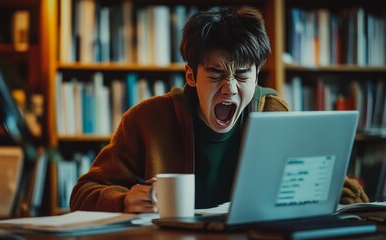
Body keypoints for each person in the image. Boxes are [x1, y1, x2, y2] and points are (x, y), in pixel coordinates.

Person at [70, 6, 368, 213]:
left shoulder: (272, 113)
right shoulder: (147, 120)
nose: (230, 88)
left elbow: (332, 185)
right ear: (191, 75)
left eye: (242, 75)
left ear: (257, 74)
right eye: (216, 74)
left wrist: (339, 193)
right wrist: (124, 201)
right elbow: (83, 193)